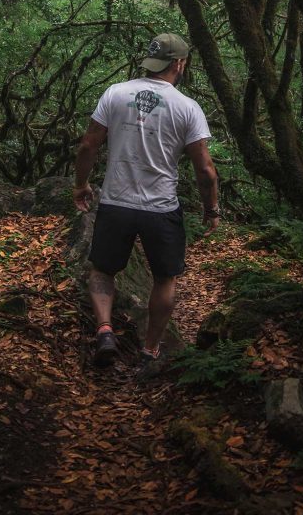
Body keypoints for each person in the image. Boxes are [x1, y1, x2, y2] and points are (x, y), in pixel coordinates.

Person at [73, 32, 219, 371]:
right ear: (179, 64)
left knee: (103, 270)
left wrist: (80, 185)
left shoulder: (116, 93)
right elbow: (206, 171)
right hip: (161, 208)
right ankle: (150, 350)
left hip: (116, 202)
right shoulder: (187, 107)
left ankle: (105, 330)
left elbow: (88, 146)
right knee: (165, 278)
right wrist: (211, 209)